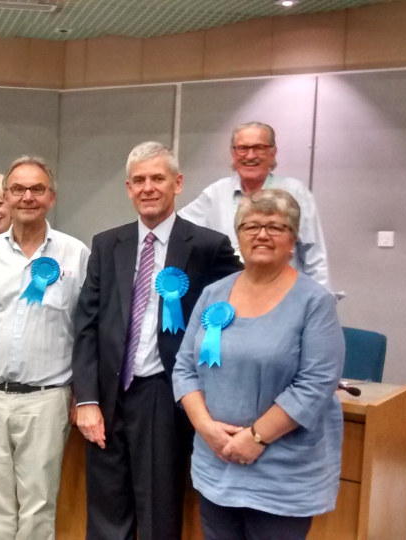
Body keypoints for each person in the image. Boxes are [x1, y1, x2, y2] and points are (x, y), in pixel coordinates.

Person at [73, 142, 242, 539]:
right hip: (108, 398)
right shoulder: (106, 243)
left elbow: (242, 300)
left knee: (158, 508)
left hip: (164, 396)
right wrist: (86, 399)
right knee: (105, 508)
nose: (148, 188)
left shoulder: (206, 246)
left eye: (158, 179)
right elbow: (87, 324)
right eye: (139, 181)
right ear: (129, 188)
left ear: (177, 183)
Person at [173, 189, 345, 540]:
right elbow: (185, 369)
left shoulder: (315, 302)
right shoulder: (213, 294)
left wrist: (255, 438)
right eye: (250, 226)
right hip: (216, 464)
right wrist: (206, 428)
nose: (262, 235)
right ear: (238, 236)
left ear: (293, 239)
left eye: (275, 227)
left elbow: (315, 385)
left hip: (282, 475)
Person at [0, 156, 90, 540]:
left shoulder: (75, 254)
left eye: (37, 189)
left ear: (51, 197)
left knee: (39, 504)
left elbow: (85, 331)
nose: (27, 196)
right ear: (6, 197)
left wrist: (83, 394)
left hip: (47, 399)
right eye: (18, 189)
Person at [179, 121, 332, 291]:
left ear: (272, 153)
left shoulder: (296, 192)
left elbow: (315, 256)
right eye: (243, 148)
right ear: (233, 153)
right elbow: (179, 229)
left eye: (259, 148)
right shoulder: (216, 193)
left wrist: (322, 301)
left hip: (284, 296)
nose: (250, 156)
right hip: (228, 299)